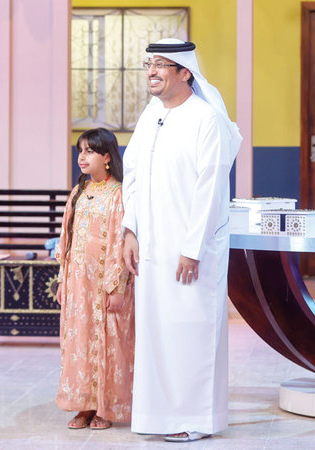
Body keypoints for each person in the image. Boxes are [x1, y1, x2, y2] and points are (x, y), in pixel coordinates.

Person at [121, 38, 242, 442]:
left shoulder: (206, 119)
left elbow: (211, 188)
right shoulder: (150, 116)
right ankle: (157, 417)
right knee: (156, 332)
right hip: (152, 248)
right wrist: (130, 230)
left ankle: (194, 420)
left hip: (192, 251)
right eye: (149, 65)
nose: (151, 72)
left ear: (185, 72)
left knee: (191, 331)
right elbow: (132, 177)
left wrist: (192, 250)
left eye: (160, 65)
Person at [55, 127, 135, 430]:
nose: (82, 157)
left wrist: (117, 287)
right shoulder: (78, 192)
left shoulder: (119, 194)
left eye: (89, 151)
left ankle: (106, 408)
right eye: (80, 151)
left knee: (107, 342)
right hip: (78, 286)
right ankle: (84, 405)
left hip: (105, 285)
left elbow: (120, 242)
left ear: (107, 156)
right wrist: (63, 280)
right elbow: (66, 240)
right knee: (79, 341)